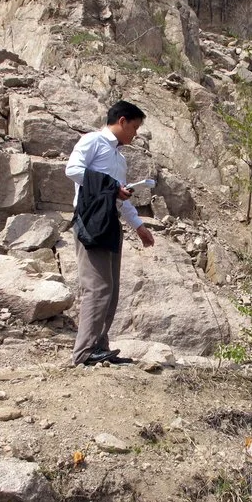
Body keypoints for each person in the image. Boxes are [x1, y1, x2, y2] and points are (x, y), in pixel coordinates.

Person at [65, 100, 155, 366]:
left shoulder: (119, 157)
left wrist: (138, 226)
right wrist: (110, 187)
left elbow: (121, 198)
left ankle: (100, 346)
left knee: (111, 289)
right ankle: (83, 353)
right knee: (97, 287)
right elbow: (72, 170)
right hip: (91, 219)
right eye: (135, 127)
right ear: (123, 121)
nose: (135, 134)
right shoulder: (92, 141)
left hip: (110, 221)